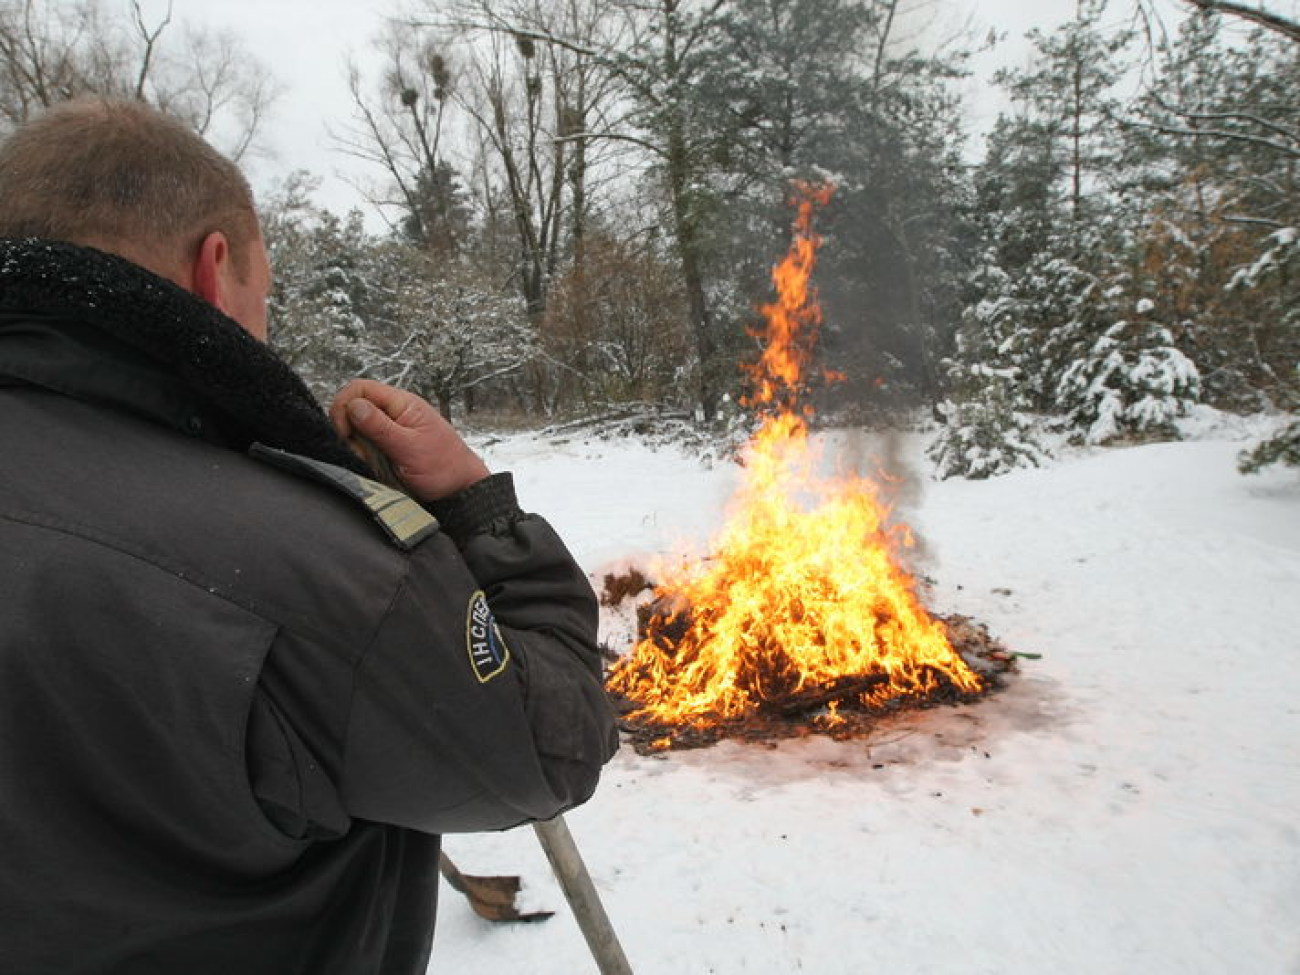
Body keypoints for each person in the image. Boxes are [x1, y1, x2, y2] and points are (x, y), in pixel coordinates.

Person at [0, 98, 618, 974]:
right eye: (264, 294)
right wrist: (478, 509)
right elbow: (551, 748)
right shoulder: (312, 571)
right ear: (215, 271)